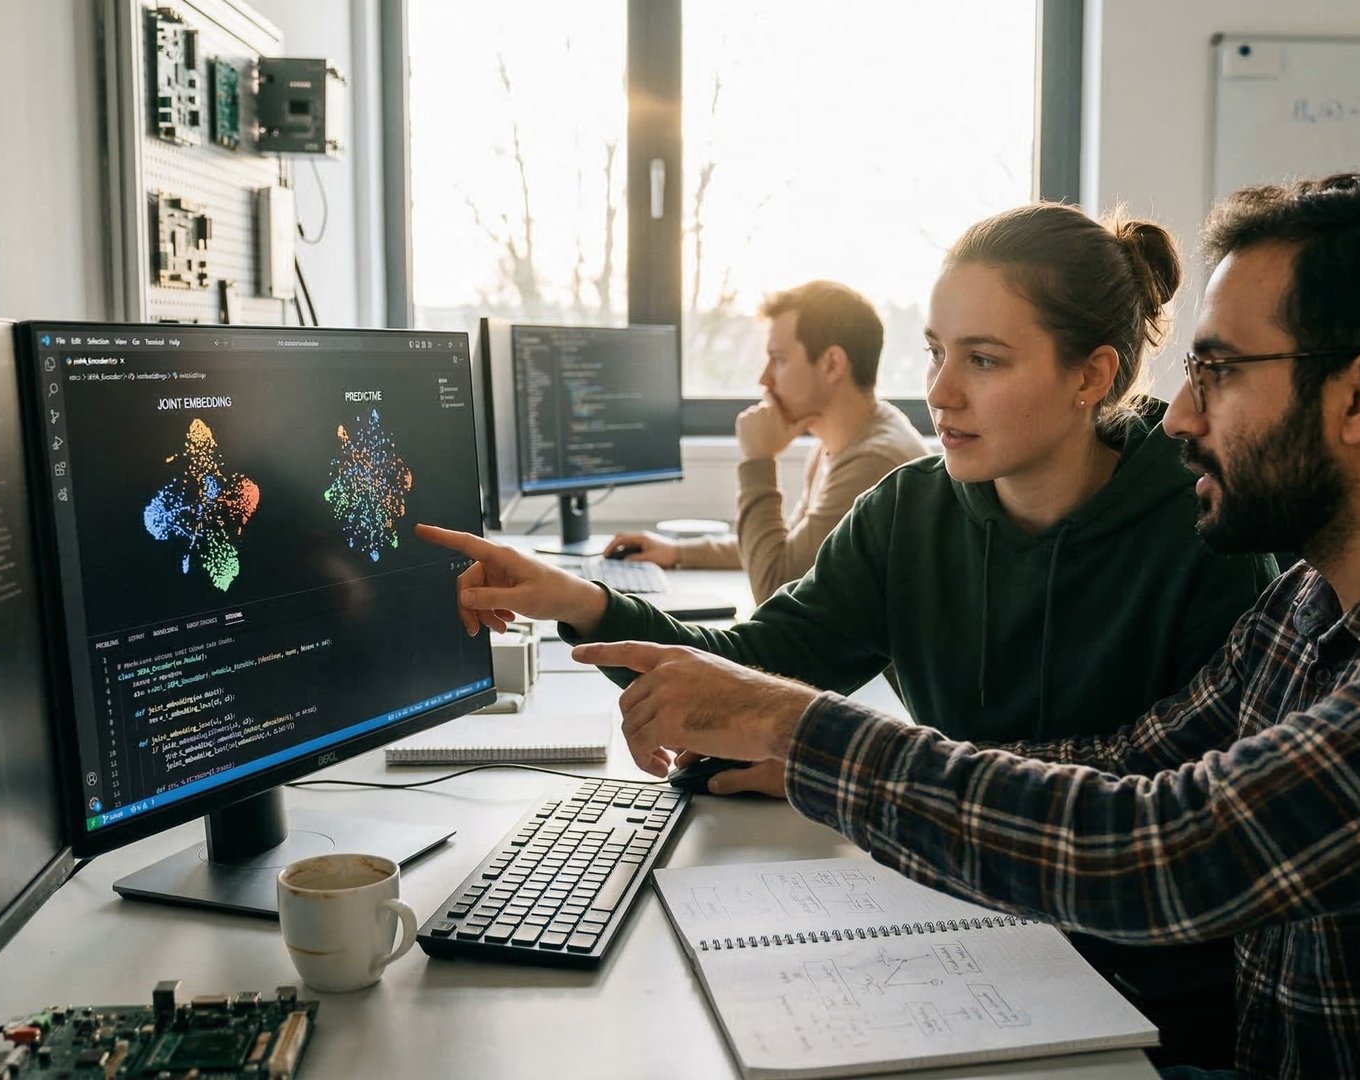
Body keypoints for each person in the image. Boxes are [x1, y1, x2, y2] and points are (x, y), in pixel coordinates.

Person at [568, 174, 1360, 1078]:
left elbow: (1168, 851)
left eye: (1220, 371)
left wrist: (805, 732)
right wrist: (821, 768)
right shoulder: (1318, 599)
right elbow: (1125, 763)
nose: (1184, 414)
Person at [419, 203, 1278, 1066]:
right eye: (936, 352)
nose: (939, 392)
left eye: (983, 360)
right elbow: (755, 667)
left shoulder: (1207, 527)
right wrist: (578, 599)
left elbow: (1168, 811)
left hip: (1137, 980)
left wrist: (832, 764)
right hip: (965, 923)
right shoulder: (909, 512)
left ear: (1090, 374)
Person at [603, 281, 926, 605]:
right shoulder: (843, 439)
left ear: (832, 364)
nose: (764, 379)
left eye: (778, 359)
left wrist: (758, 459)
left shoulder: (873, 462)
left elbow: (777, 589)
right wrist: (678, 552)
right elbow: (788, 549)